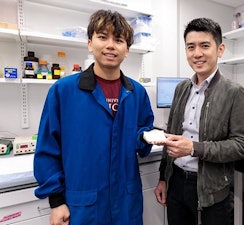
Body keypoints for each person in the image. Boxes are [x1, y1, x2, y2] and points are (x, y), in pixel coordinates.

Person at [33, 9, 155, 225]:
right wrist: (57, 201)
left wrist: (148, 137)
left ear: (127, 50)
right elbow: (47, 149)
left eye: (118, 40)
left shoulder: (137, 92)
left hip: (127, 203)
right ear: (90, 43)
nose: (110, 45)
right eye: (102, 37)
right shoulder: (63, 91)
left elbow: (141, 134)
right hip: (83, 205)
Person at [154, 18, 244, 225]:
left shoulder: (234, 93)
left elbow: (242, 145)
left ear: (220, 49)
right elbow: (170, 133)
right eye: (191, 47)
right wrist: (163, 177)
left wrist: (194, 148)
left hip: (210, 189)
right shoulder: (182, 89)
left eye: (205, 45)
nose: (197, 53)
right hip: (176, 182)